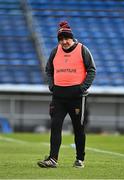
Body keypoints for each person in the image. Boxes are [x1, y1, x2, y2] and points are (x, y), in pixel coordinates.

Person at [37, 21, 96, 168]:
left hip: (77, 97)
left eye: (66, 38)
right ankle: (53, 159)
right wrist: (51, 85)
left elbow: (92, 70)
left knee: (78, 129)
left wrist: (82, 88)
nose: (64, 42)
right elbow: (48, 70)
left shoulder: (83, 49)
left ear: (72, 38)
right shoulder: (55, 51)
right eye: (61, 39)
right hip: (58, 97)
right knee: (55, 126)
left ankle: (80, 159)